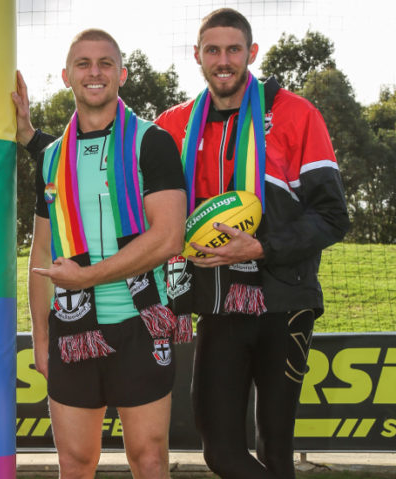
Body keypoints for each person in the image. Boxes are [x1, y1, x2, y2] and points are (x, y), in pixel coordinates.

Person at [154, 9, 350, 478]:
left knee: (277, 454)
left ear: (251, 53)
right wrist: (40, 142)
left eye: (233, 49)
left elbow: (332, 216)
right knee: (220, 452)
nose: (224, 60)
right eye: (213, 50)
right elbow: (110, 165)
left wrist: (261, 247)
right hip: (218, 306)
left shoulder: (297, 114)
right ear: (198, 57)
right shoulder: (175, 125)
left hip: (286, 302)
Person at [13, 29, 189, 478]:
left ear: (121, 75)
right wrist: (39, 333)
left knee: (147, 457)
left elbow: (168, 237)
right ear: (67, 76)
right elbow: (44, 250)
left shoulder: (153, 143)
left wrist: (89, 278)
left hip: (141, 323)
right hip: (72, 329)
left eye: (105, 63)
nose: (95, 72)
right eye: (84, 64)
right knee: (75, 462)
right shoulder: (51, 158)